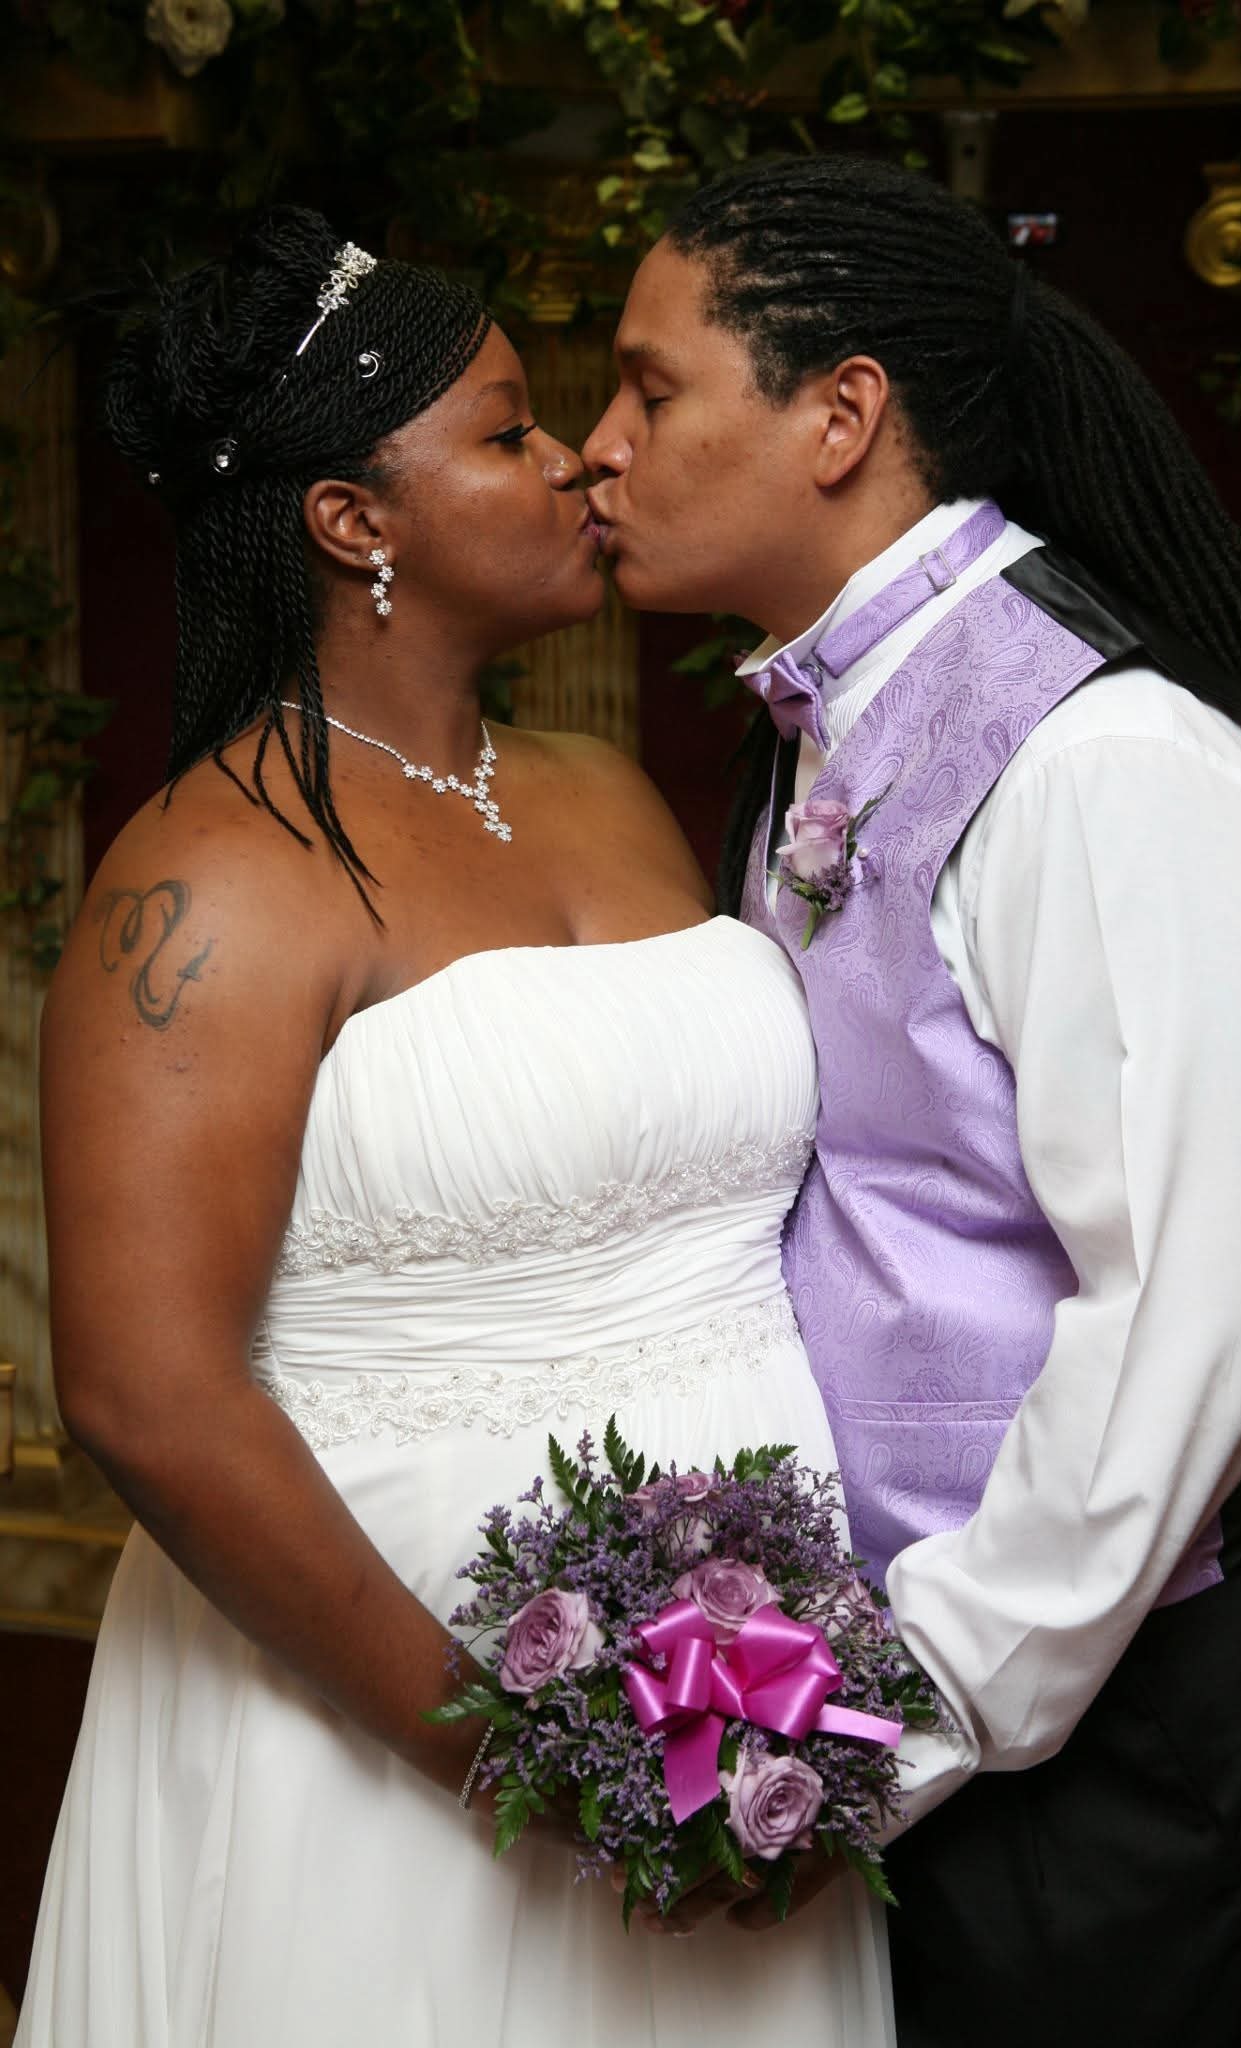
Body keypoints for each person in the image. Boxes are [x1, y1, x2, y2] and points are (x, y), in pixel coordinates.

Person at [17, 208, 894, 2048]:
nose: (577, 457)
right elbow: (144, 1396)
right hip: (395, 1693)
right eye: (507, 431)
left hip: (734, 1687)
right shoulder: (211, 878)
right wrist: (513, 1758)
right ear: (357, 522)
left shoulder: (608, 789)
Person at [583, 155, 1241, 2045]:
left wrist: (887, 1717)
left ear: (840, 413)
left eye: (649, 389)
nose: (597, 448)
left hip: (1127, 1719)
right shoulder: (832, 722)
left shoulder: (1108, 765)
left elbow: (1196, 1323)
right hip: (951, 1681)